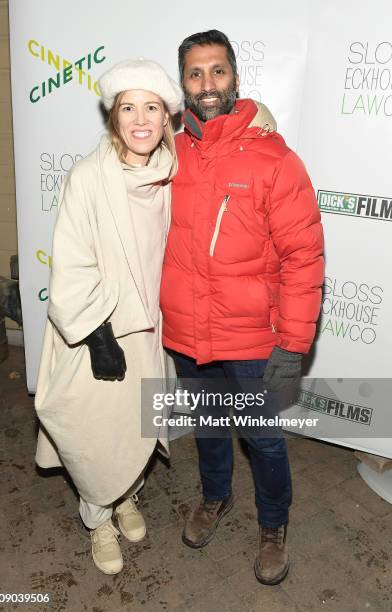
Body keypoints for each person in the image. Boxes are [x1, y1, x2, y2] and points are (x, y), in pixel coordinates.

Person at [160, 30, 324, 585]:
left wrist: (293, 345)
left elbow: (304, 257)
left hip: (254, 338)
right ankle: (215, 497)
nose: (208, 85)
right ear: (182, 84)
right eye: (195, 74)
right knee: (207, 423)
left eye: (218, 72)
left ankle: (273, 525)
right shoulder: (169, 151)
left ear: (235, 78)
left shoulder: (274, 158)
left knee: (261, 437)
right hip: (189, 331)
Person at [34, 58, 183, 575]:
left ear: (167, 118)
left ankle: (126, 498)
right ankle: (98, 517)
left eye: (151, 107)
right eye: (127, 108)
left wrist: (261, 123)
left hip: (148, 331)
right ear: (113, 117)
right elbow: (73, 261)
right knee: (96, 432)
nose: (140, 119)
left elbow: (244, 138)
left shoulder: (172, 170)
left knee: (137, 427)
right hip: (96, 331)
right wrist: (97, 334)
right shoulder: (87, 177)